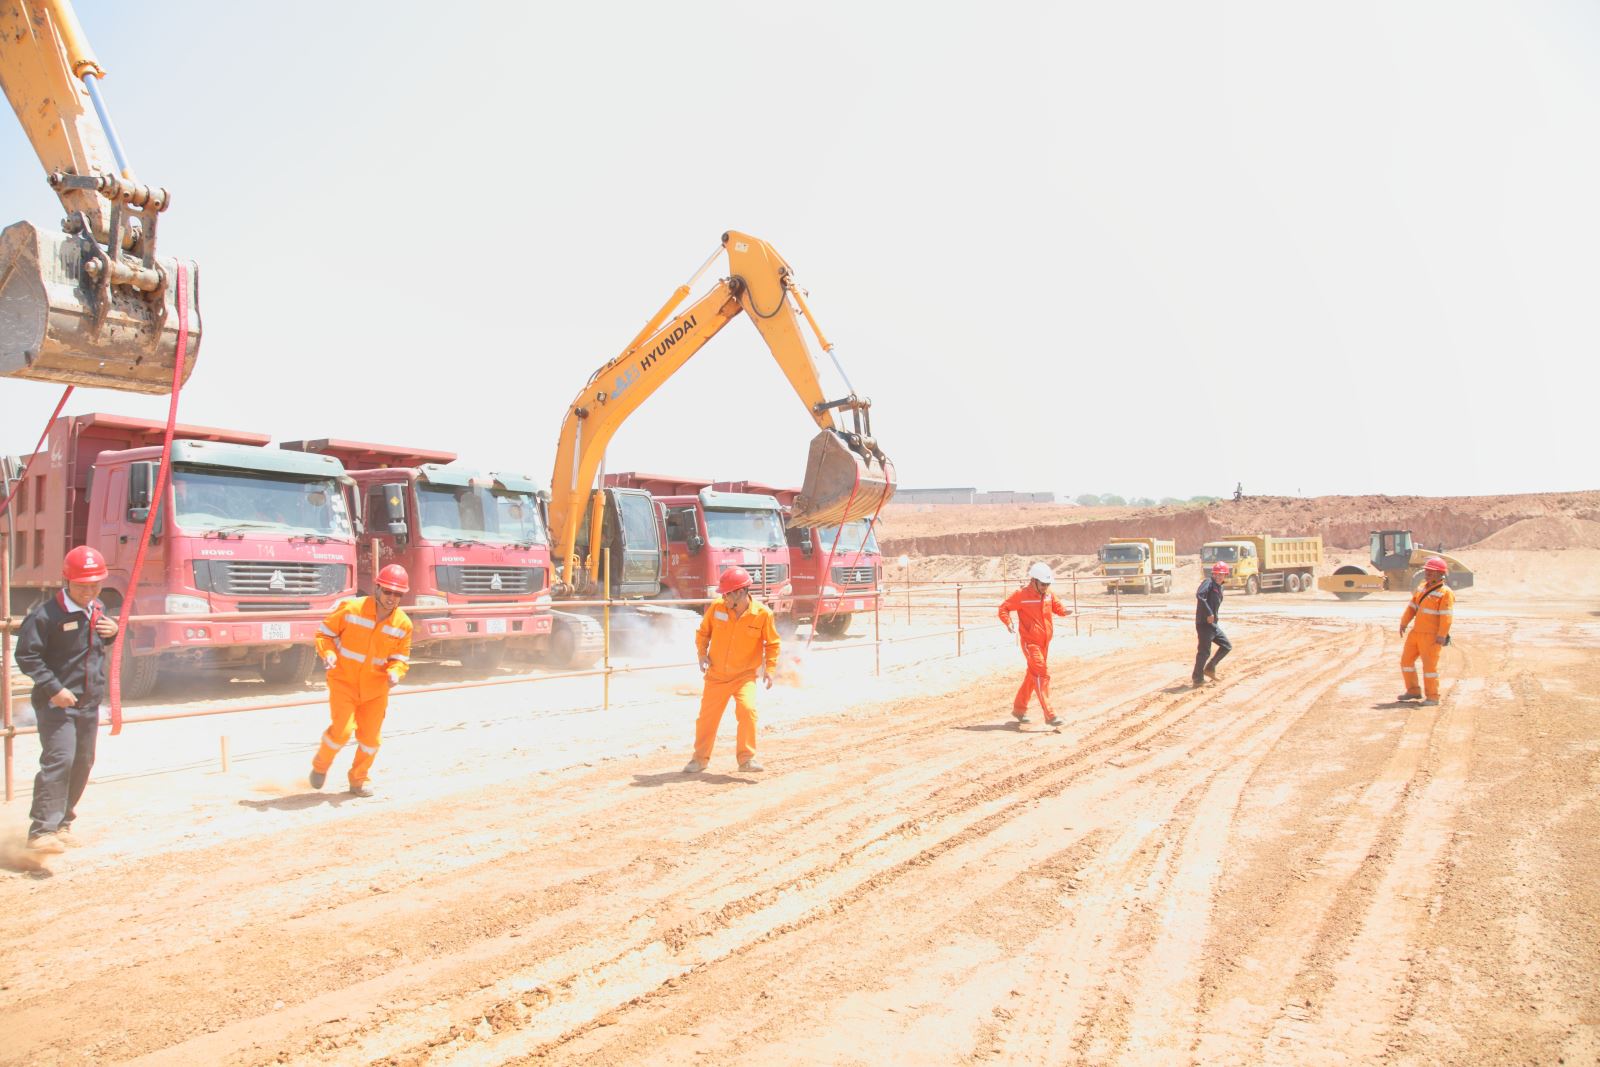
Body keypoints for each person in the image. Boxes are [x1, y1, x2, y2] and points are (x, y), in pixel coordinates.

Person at [14, 546, 119, 853]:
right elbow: (27, 655)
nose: (89, 590)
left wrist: (111, 633)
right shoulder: (46, 615)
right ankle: (41, 831)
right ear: (67, 580)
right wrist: (53, 689)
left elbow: (96, 646)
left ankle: (63, 823)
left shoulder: (96, 608)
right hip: (56, 703)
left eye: (95, 584)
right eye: (83, 584)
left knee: (83, 762)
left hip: (88, 702)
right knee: (60, 759)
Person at [309, 564, 413, 796]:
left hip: (376, 690)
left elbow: (400, 658)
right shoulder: (351, 609)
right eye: (388, 591)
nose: (392, 598)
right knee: (342, 732)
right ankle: (320, 766)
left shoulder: (403, 624)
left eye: (398, 594)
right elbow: (324, 634)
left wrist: (396, 672)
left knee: (370, 740)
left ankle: (359, 780)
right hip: (344, 683)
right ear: (377, 588)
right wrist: (328, 654)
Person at [684, 566, 780, 774]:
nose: (724, 597)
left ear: (740, 592)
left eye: (727, 593)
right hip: (717, 676)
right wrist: (702, 654)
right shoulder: (717, 608)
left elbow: (772, 644)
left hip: (744, 676)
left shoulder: (763, 614)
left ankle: (746, 759)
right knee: (707, 719)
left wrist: (770, 669)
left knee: (747, 711)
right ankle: (699, 759)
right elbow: (703, 633)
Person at [998, 562, 1071, 728]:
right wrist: (1008, 622)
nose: (1046, 587)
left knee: (1032, 675)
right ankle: (1050, 715)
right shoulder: (1021, 595)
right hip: (1030, 643)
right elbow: (1004, 608)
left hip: (1045, 642)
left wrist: (1064, 611)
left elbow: (1056, 607)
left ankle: (1019, 709)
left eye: (1048, 584)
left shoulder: (1048, 594)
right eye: (1043, 584)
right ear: (1034, 581)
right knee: (1041, 674)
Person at [1397, 556, 1454, 706]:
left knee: (1429, 667)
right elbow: (1412, 607)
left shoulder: (1445, 592)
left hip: (1431, 636)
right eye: (1427, 570)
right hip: (1416, 633)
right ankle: (1413, 690)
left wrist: (1442, 635)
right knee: (1406, 662)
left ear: (1440, 574)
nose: (1428, 573)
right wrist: (1404, 622)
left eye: (1432, 571)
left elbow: (1446, 617)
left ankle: (1433, 697)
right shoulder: (1422, 586)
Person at [1194, 561, 1232, 686]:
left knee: (1226, 646)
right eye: (1216, 574)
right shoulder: (1208, 583)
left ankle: (1210, 668)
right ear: (1213, 574)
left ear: (1225, 575)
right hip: (1204, 624)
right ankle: (1197, 678)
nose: (1218, 576)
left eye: (1221, 574)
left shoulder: (1219, 587)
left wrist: (1213, 617)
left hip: (1213, 625)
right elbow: (1200, 596)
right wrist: (1209, 613)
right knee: (1204, 651)